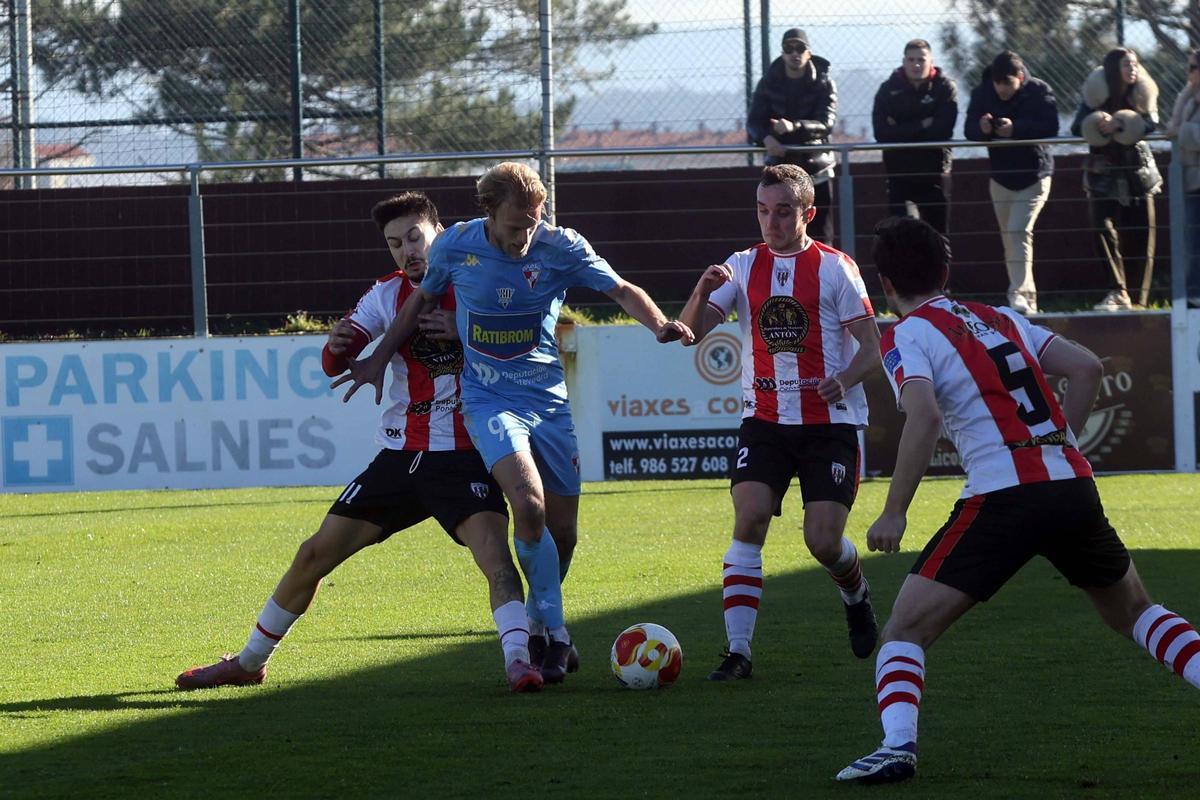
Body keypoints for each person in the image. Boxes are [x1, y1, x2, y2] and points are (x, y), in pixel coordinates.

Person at [836, 217, 1200, 785]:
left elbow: (925, 415)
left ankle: (897, 747)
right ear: (946, 271)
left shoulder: (904, 334)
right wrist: (1063, 442)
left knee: (904, 630)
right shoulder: (1000, 317)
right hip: (1071, 487)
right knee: (1134, 612)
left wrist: (894, 510)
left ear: (885, 284)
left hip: (1004, 497)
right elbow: (1087, 367)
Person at [335, 163, 693, 683]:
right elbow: (417, 304)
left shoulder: (561, 246)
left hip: (549, 402)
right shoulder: (456, 247)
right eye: (512, 226)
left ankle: (545, 630)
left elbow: (619, 289)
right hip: (489, 401)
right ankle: (555, 635)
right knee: (528, 506)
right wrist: (375, 358)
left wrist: (660, 324)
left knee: (563, 533)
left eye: (532, 222)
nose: (523, 236)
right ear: (488, 214)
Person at [175, 192, 546, 694]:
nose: (407, 251)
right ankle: (249, 660)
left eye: (415, 237)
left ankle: (519, 662)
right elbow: (338, 359)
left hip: (464, 456)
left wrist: (465, 333)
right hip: (399, 458)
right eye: (395, 244)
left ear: (439, 231)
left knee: (495, 561)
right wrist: (337, 345)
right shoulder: (385, 294)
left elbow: (528, 345)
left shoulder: (481, 281)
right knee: (312, 555)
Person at [679, 164, 882, 681]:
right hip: (764, 420)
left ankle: (856, 593)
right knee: (748, 519)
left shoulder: (836, 268)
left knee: (822, 542)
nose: (770, 221)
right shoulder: (742, 265)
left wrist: (844, 377)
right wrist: (702, 291)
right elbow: (689, 333)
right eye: (763, 211)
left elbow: (873, 348)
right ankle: (739, 652)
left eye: (783, 211)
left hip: (827, 423)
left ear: (808, 213)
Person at [964, 50, 1059, 315]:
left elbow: (1050, 125)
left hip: (1034, 176)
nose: (1002, 90)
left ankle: (1017, 296)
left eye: (1008, 83)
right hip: (1001, 178)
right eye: (998, 84)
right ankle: (1029, 301)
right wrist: (981, 129)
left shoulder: (1039, 91)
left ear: (1019, 77)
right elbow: (968, 128)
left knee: (1018, 232)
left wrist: (1016, 129)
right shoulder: (982, 93)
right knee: (1011, 239)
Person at [1071, 47, 1162, 310]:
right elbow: (1077, 126)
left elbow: (1151, 123)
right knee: (1102, 227)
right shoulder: (1094, 96)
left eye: (1135, 64)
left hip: (1138, 173)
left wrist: (1124, 124)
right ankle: (1117, 289)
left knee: (1143, 235)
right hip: (1103, 173)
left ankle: (1138, 300)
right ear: (1113, 69)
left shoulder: (1142, 94)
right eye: (1126, 64)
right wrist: (1098, 122)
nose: (1133, 69)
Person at [747, 27, 838, 244]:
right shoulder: (769, 82)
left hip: (817, 168)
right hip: (780, 172)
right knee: (779, 236)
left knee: (819, 237)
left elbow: (827, 123)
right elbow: (753, 122)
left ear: (809, 52)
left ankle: (820, 278)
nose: (794, 53)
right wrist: (765, 138)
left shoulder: (824, 82)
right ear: (782, 52)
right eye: (789, 48)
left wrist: (794, 127)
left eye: (800, 48)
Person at [871, 38, 958, 234]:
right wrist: (923, 124)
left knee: (937, 238)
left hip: (933, 173)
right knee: (902, 236)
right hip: (899, 174)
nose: (916, 64)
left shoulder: (944, 88)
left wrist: (900, 128)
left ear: (931, 61)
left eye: (921, 59)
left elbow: (942, 130)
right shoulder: (888, 89)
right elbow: (881, 133)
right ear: (904, 61)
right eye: (911, 59)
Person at [1165, 48, 1200, 306]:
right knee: (1191, 240)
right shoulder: (1188, 96)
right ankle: (1193, 294)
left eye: (1192, 68)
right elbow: (1171, 128)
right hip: (1190, 181)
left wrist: (1180, 131)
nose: (1187, 73)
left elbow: (1180, 131)